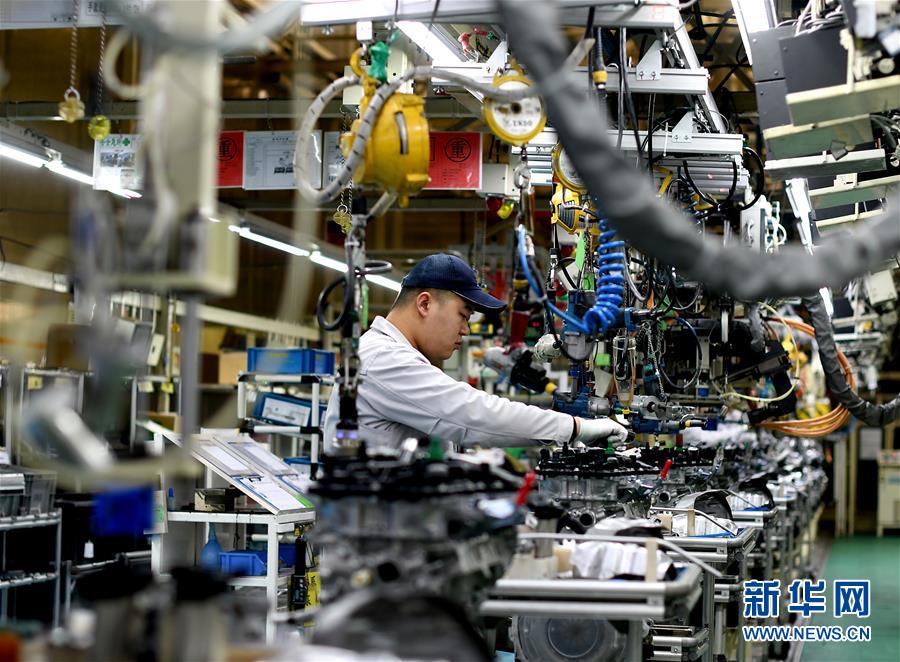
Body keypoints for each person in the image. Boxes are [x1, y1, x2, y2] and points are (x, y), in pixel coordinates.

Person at [323, 253, 628, 451]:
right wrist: (575, 428)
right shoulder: (382, 359)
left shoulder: (393, 355)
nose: (466, 330)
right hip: (376, 530)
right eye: (463, 315)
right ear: (425, 303)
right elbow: (474, 414)